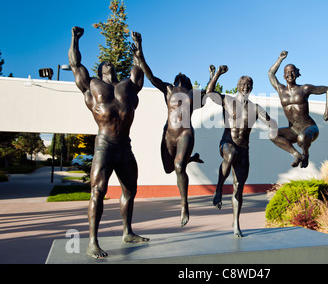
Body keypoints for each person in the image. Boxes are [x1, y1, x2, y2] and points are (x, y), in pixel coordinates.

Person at [68, 26, 149, 258]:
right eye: (104, 63)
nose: (108, 63)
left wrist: (139, 49)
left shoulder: (127, 87)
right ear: (99, 69)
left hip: (125, 145)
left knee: (130, 190)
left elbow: (139, 72)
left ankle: (127, 232)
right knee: (97, 191)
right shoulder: (93, 86)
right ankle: (93, 241)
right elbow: (75, 65)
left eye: (111, 63)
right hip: (104, 145)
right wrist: (75, 39)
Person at [131, 32, 211, 227]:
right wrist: (139, 48)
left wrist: (213, 75)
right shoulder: (168, 89)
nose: (181, 74)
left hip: (185, 133)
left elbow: (208, 92)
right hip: (168, 134)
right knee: (169, 169)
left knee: (177, 167)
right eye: (179, 75)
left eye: (184, 75)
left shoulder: (193, 94)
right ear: (175, 80)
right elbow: (149, 75)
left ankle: (184, 205)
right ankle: (190, 159)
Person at [206, 67, 277, 237]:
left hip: (244, 149)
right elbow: (209, 93)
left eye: (249, 85)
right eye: (243, 84)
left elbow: (270, 121)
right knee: (230, 155)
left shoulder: (255, 108)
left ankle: (236, 223)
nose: (246, 87)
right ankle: (219, 189)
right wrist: (217, 75)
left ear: (251, 88)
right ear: (238, 86)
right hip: (227, 143)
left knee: (239, 188)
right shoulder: (228, 100)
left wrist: (275, 126)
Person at [268, 51, 328, 168]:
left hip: (309, 128)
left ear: (297, 74)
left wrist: (327, 110)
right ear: (283, 76)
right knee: (272, 134)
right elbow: (270, 74)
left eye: (292, 72)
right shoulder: (280, 90)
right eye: (287, 72)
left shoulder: (304, 89)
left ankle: (305, 155)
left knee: (302, 138)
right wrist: (280, 59)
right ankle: (296, 154)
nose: (290, 74)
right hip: (293, 130)